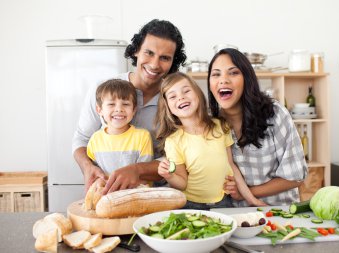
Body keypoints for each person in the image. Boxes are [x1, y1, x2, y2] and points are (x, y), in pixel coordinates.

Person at [72, 19, 187, 193]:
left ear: (173, 62)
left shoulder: (175, 101)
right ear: (136, 51)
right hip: (107, 192)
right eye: (149, 53)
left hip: (154, 194)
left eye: (165, 58)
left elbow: (176, 158)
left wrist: (138, 170)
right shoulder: (103, 89)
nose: (155, 64)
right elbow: (82, 139)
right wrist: (88, 167)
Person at [207, 48, 308, 206]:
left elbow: (295, 176)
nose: (223, 80)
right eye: (216, 74)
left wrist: (246, 194)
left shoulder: (274, 113)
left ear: (247, 78)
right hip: (233, 218)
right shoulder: (209, 124)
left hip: (278, 213)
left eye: (233, 73)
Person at [156, 72, 266, 210]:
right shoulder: (173, 141)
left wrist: (252, 200)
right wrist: (169, 176)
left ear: (198, 94)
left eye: (186, 91)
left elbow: (230, 165)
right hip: (190, 205)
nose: (181, 97)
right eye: (173, 96)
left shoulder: (220, 126)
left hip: (223, 201)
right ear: (167, 107)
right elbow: (182, 183)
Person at [86, 79, 153, 187]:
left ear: (134, 110)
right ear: (99, 110)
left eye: (126, 104)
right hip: (106, 197)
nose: (119, 109)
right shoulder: (95, 139)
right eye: (111, 104)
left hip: (136, 197)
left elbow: (144, 176)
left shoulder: (142, 137)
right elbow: (95, 175)